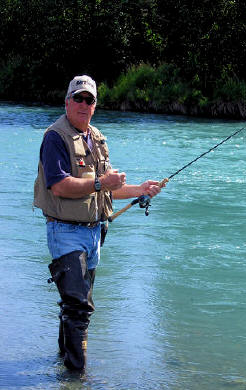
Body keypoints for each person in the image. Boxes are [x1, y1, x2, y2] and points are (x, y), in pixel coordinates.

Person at [34, 75, 163, 371]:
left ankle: (64, 365)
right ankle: (76, 381)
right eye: (77, 98)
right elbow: (59, 186)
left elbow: (108, 189)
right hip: (65, 232)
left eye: (88, 100)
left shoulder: (96, 137)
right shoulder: (55, 137)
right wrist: (101, 182)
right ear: (67, 102)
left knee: (74, 304)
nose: (83, 104)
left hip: (94, 234)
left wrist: (140, 189)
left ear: (94, 106)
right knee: (79, 307)